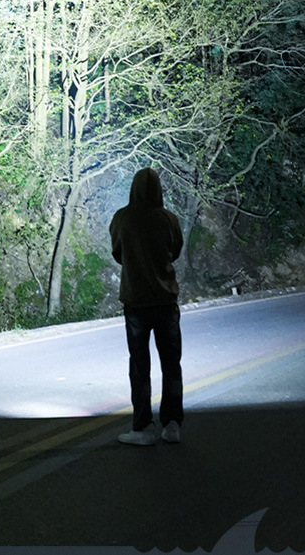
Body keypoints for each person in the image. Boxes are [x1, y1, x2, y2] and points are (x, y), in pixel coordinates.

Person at [109, 167, 184, 446]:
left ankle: (142, 427)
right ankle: (172, 424)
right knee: (171, 364)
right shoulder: (169, 219)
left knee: (140, 366)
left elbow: (118, 253)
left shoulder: (122, 218)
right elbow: (175, 251)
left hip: (136, 302)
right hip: (165, 300)